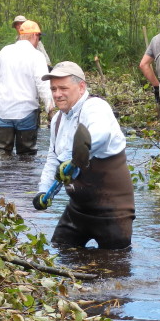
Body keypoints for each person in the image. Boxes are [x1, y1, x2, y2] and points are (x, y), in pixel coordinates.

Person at [32, 61, 135, 249]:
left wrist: (74, 158)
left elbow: (101, 135)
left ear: (81, 87)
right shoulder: (57, 120)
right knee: (60, 252)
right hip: (78, 211)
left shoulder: (95, 107)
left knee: (115, 268)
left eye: (63, 88)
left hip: (112, 211)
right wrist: (43, 190)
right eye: (53, 89)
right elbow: (53, 159)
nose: (57, 94)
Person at [0, 20, 54, 157]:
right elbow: (43, 84)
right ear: (34, 36)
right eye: (39, 37)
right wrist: (50, 107)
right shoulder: (37, 56)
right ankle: (24, 179)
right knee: (26, 155)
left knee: (0, 153)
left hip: (2, 110)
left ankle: (1, 177)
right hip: (26, 112)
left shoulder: (4, 51)